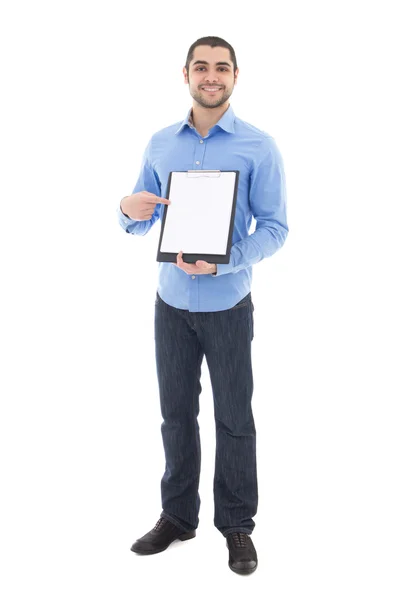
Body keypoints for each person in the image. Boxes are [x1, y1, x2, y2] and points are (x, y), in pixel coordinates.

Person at [117, 35, 288, 575]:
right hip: (170, 303)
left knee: (235, 419)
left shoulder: (259, 146)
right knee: (175, 415)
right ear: (185, 74)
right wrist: (125, 207)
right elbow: (143, 219)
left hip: (228, 305)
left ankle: (237, 525)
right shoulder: (161, 143)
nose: (210, 76)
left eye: (221, 67)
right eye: (201, 66)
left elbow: (277, 228)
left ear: (236, 76)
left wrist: (226, 260)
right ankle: (177, 516)